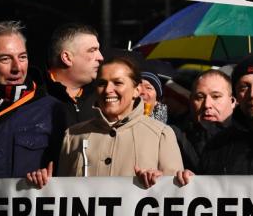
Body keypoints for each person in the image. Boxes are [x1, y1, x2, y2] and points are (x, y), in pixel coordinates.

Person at [0, 21, 65, 195]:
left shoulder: (52, 109)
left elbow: (68, 179)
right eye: (5, 59)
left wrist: (48, 179)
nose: (17, 68)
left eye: (22, 57)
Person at [49, 57, 182, 188]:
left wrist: (158, 181)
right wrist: (43, 185)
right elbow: (62, 194)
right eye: (102, 83)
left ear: (136, 90)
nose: (108, 90)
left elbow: (174, 195)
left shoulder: (161, 134)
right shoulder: (73, 136)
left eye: (118, 83)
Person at [172, 69, 235, 171]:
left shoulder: (249, 139)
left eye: (216, 96)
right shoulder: (173, 137)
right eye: (199, 97)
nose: (207, 105)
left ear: (232, 101)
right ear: (190, 101)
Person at [45, 23, 103, 126]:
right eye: (92, 50)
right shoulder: (35, 97)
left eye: (98, 50)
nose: (100, 57)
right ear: (67, 58)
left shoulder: (103, 96)